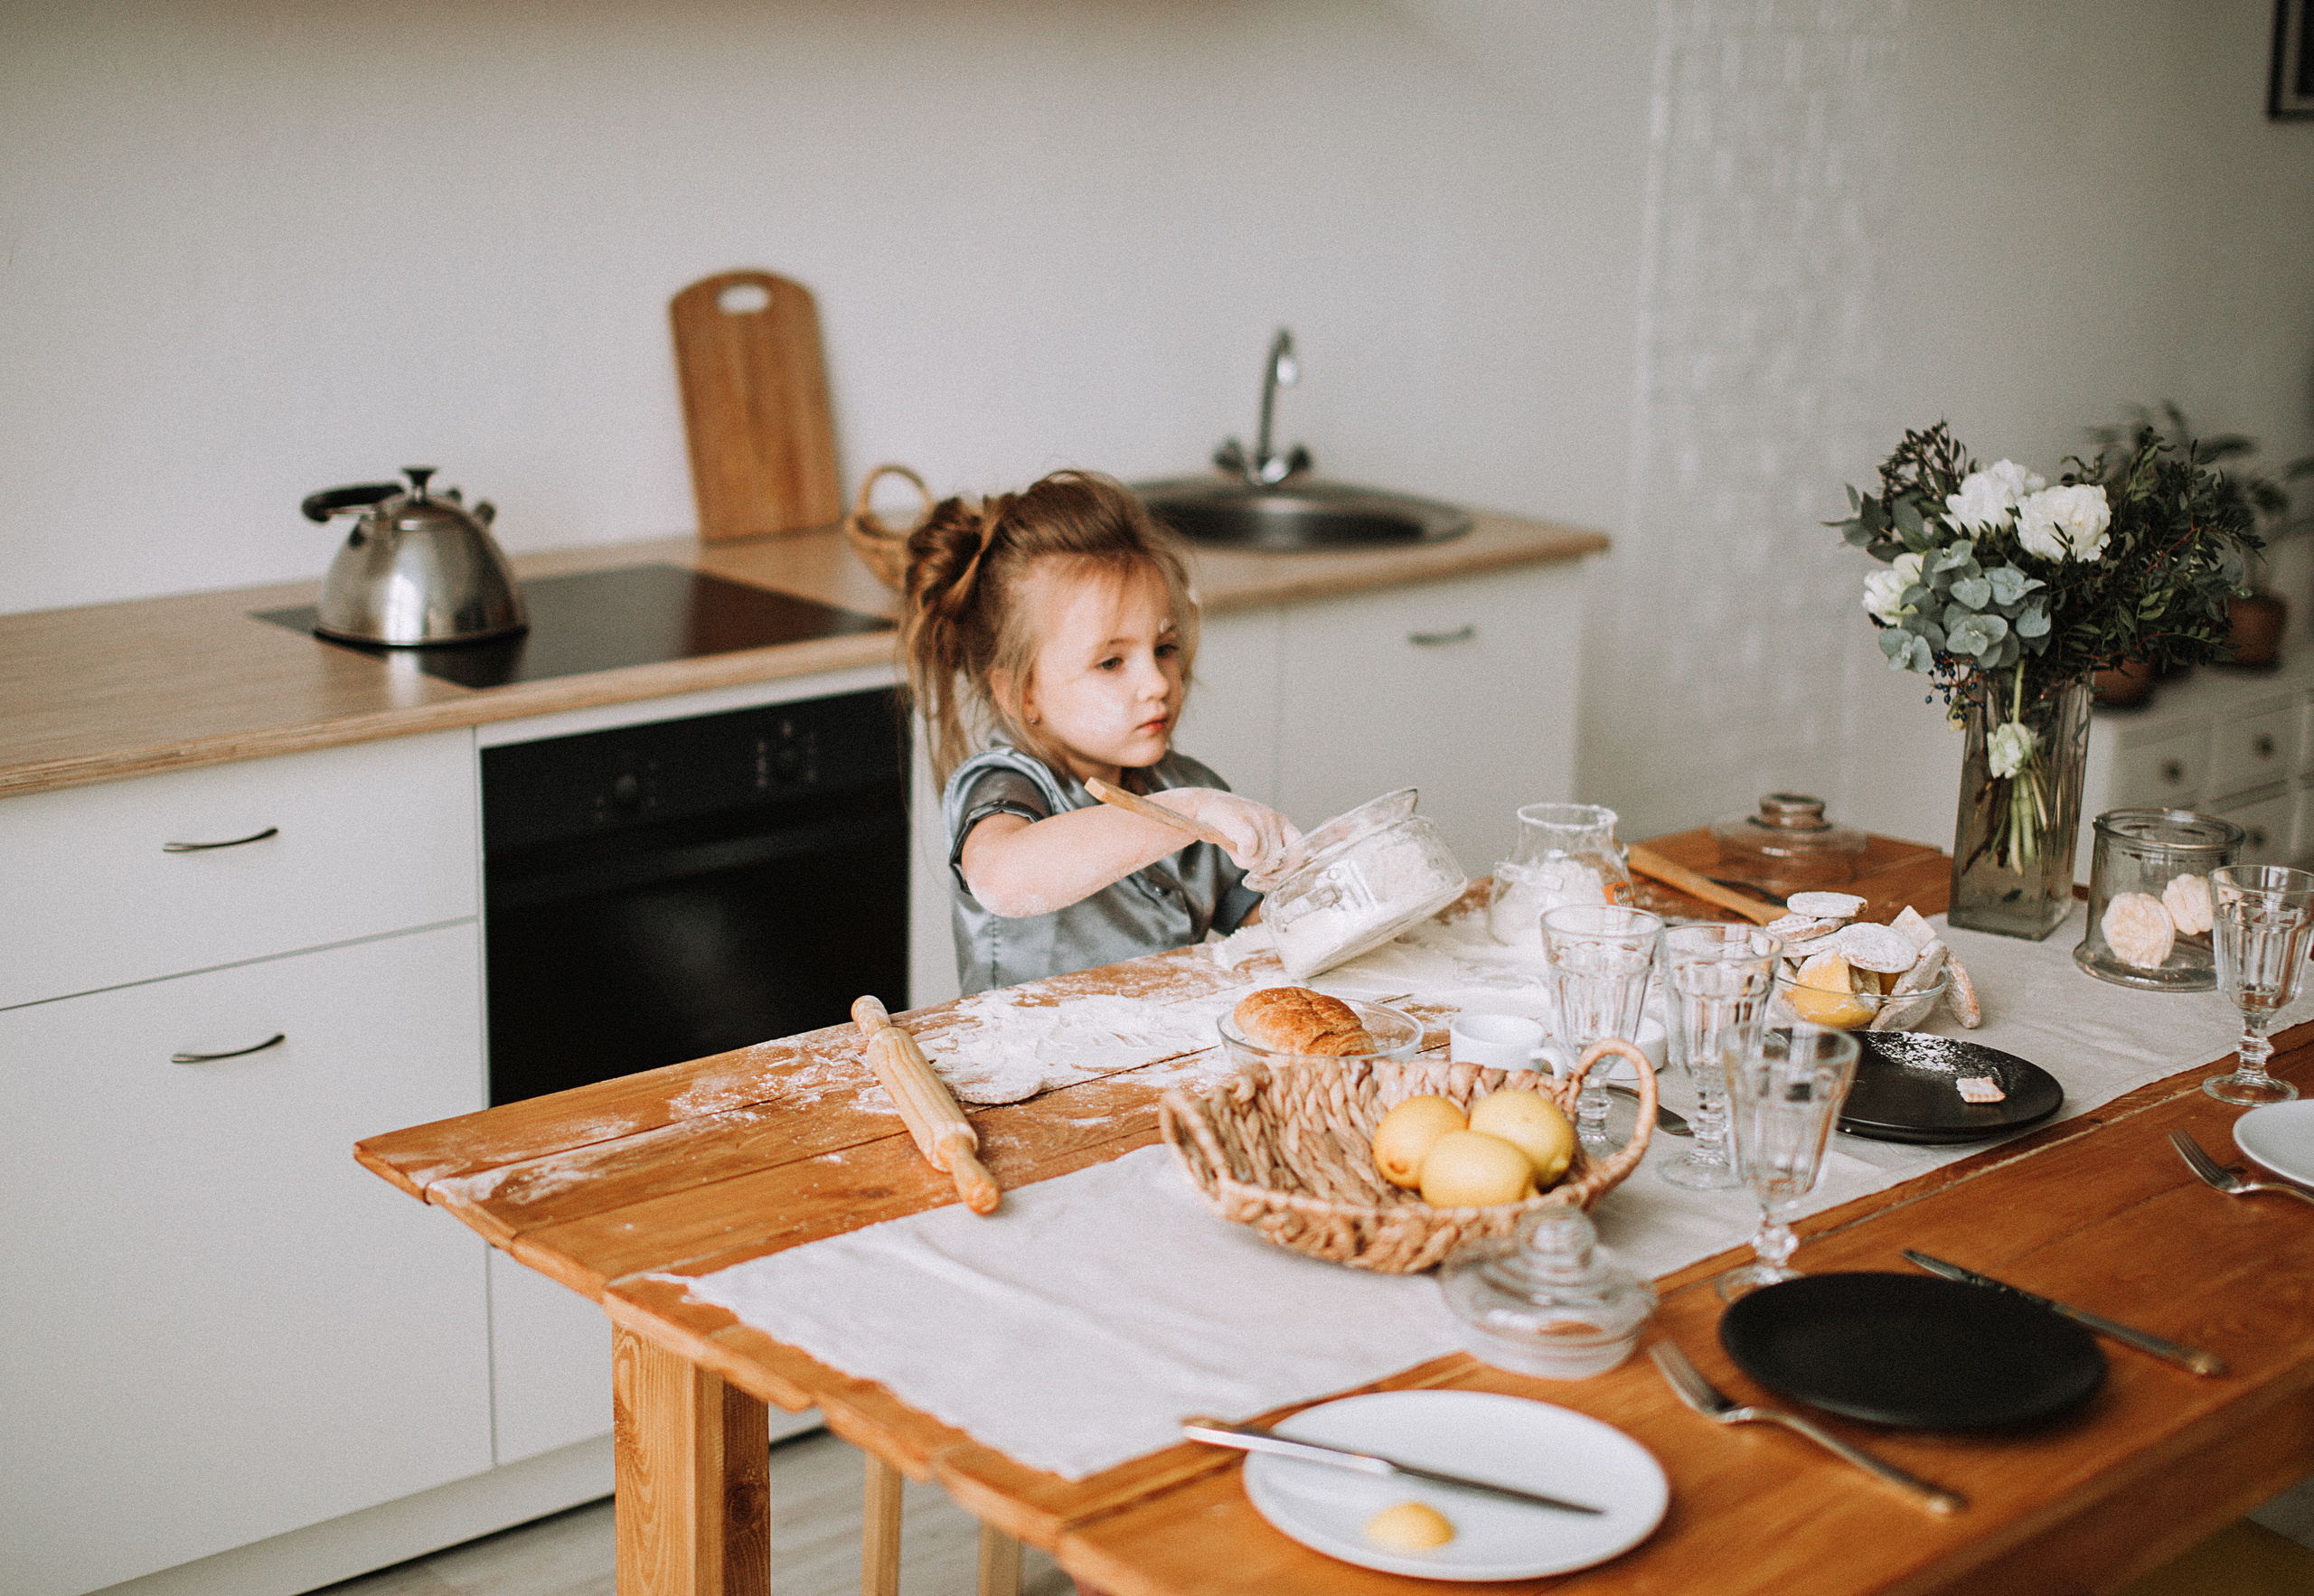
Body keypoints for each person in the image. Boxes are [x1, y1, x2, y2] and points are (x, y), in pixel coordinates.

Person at [899, 469, 1301, 995]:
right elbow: (1004, 879)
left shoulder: (1182, 782)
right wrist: (1189, 814)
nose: (1157, 682)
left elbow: (1271, 930)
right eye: (1111, 662)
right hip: (1033, 1071)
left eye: (1164, 649)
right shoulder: (1006, 786)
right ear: (1023, 693)